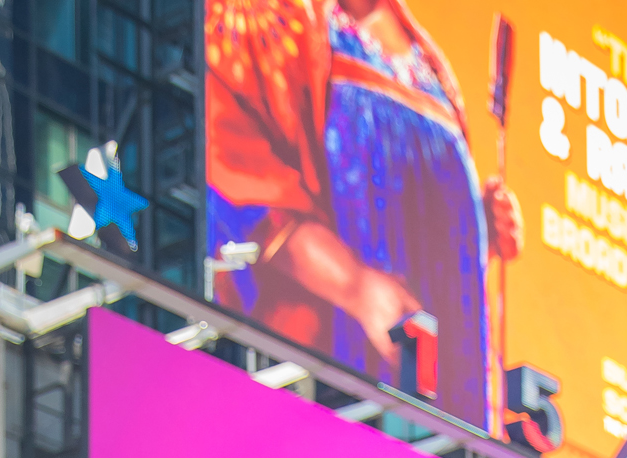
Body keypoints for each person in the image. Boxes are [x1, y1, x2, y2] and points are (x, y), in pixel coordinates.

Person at [205, 0, 523, 431]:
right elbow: (229, 156)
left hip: (430, 380)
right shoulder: (270, 16)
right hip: (320, 366)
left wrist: (477, 229)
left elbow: (412, 209)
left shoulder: (433, 65)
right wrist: (352, 284)